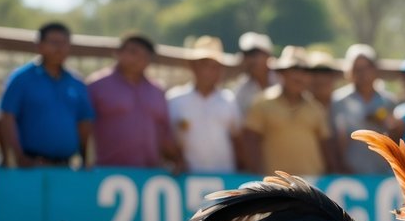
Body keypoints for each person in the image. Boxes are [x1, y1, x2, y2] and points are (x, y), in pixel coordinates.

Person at [0, 22, 94, 168]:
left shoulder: (77, 83)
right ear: (39, 46)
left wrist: (84, 159)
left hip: (66, 168)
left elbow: (84, 123)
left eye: (64, 43)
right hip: (30, 166)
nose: (59, 48)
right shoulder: (21, 79)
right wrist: (18, 157)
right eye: (54, 43)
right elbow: (7, 118)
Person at [87, 33, 181, 170]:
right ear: (118, 53)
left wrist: (175, 159)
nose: (138, 59)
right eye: (133, 52)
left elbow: (165, 132)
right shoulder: (97, 86)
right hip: (107, 172)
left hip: (150, 174)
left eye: (144, 55)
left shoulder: (157, 91)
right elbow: (83, 127)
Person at [242, 46, 330, 176]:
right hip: (274, 184)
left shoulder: (316, 108)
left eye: (304, 71)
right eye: (293, 70)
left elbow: (326, 147)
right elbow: (250, 142)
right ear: (282, 73)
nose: (299, 76)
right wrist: (257, 176)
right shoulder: (262, 103)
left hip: (311, 184)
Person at [166, 36, 242, 174]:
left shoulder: (228, 100)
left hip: (224, 177)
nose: (209, 71)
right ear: (193, 66)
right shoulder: (175, 99)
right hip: (187, 178)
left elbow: (237, 140)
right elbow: (167, 138)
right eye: (204, 65)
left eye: (214, 66)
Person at [330, 44, 405, 176]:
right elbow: (335, 139)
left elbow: (396, 137)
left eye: (366, 68)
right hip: (350, 173)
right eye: (357, 69)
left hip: (383, 172)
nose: (362, 73)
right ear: (350, 71)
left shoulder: (388, 101)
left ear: (374, 70)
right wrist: (340, 167)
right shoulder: (339, 101)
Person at [305, 50, 348, 174]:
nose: (320, 79)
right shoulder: (299, 107)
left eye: (326, 73)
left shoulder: (344, 105)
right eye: (315, 73)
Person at [233, 31, 276, 114]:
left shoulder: (283, 80)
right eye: (246, 55)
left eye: (253, 54)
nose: (250, 60)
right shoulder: (241, 91)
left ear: (267, 55)